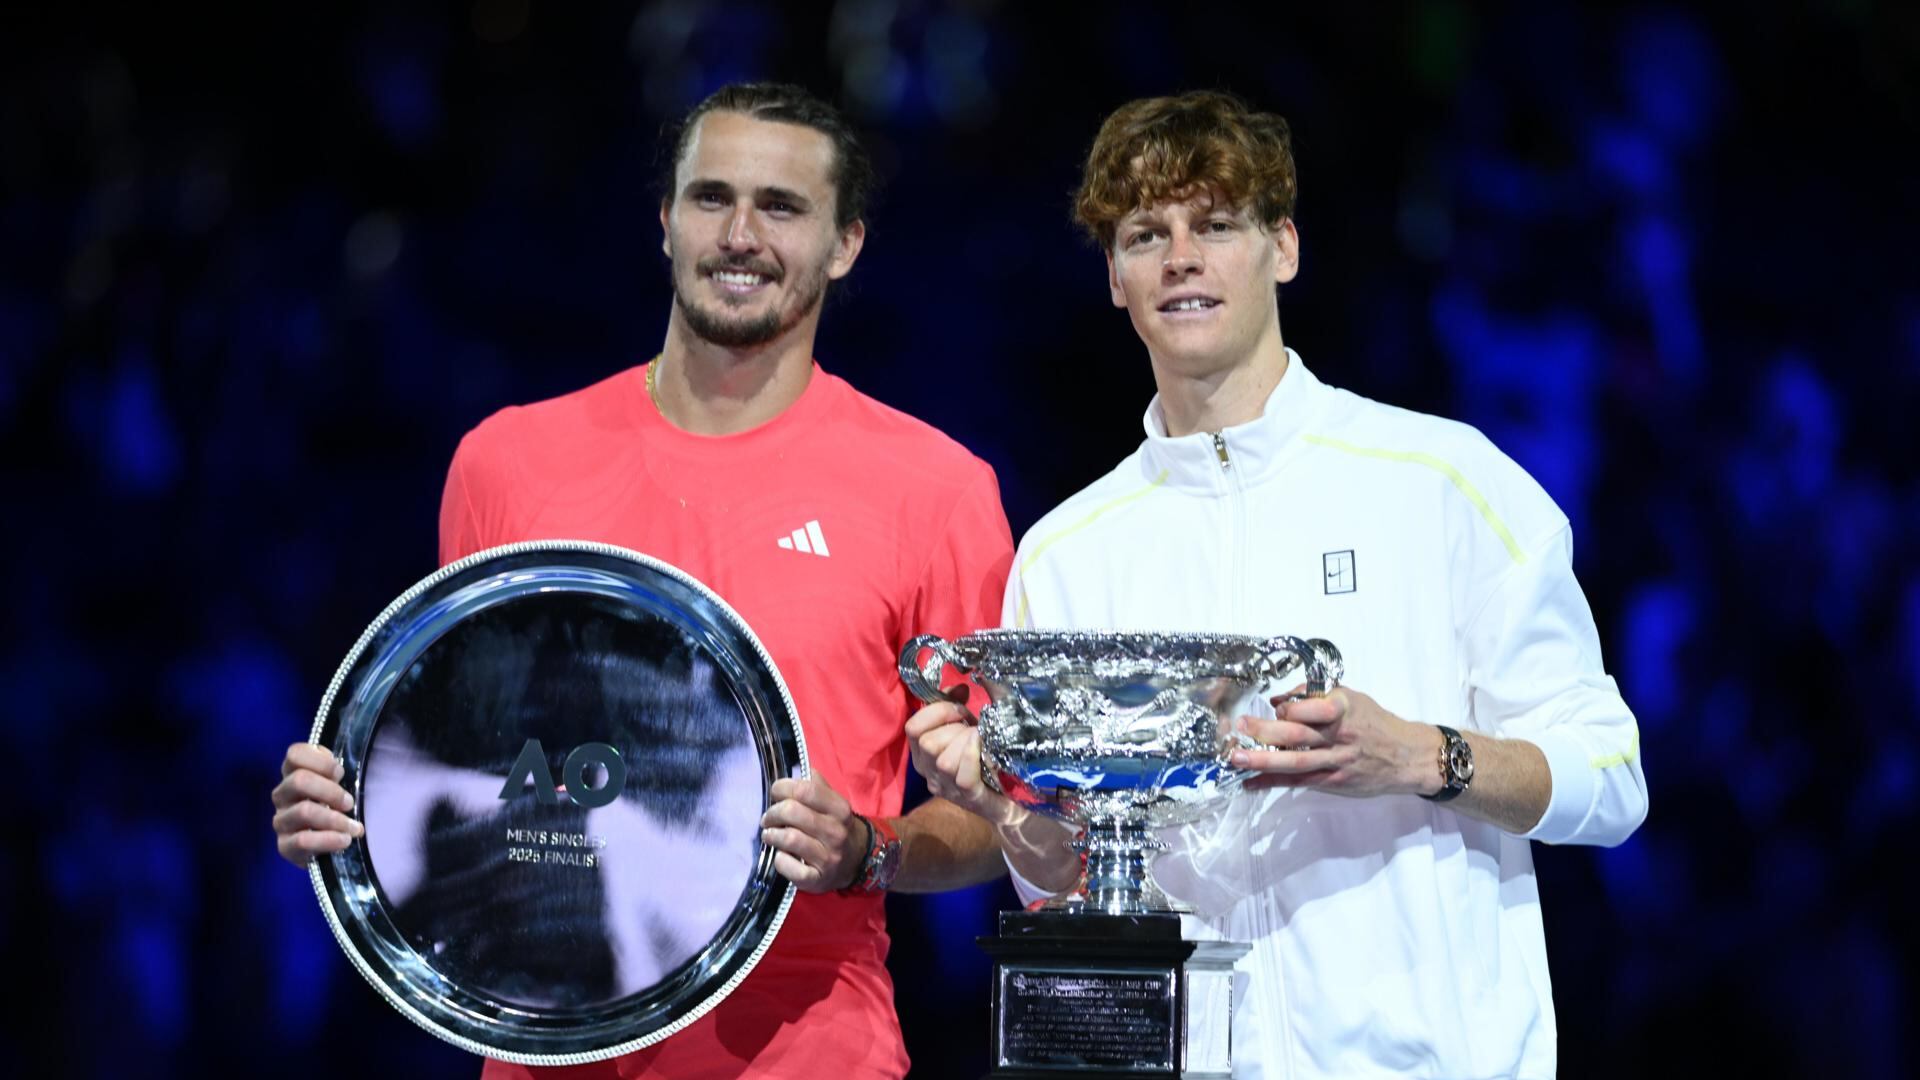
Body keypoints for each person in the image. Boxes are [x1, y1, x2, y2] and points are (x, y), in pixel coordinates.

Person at [271, 82, 1015, 1079]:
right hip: (541, 1043)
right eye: (712, 198)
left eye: (782, 207)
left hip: (805, 1047)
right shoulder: (509, 462)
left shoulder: (935, 491)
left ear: (845, 246)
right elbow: (472, 752)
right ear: (666, 223)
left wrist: (871, 851)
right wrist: (355, 800)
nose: (740, 234)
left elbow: (1002, 815)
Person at [908, 90, 1649, 1078]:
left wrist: (1416, 756)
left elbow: (1609, 781)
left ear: (1283, 249)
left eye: (1215, 225)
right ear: (1117, 280)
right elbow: (1064, 893)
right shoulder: (1069, 552)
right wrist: (1005, 804)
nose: (1181, 257)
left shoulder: (1443, 483)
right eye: (1144, 234)